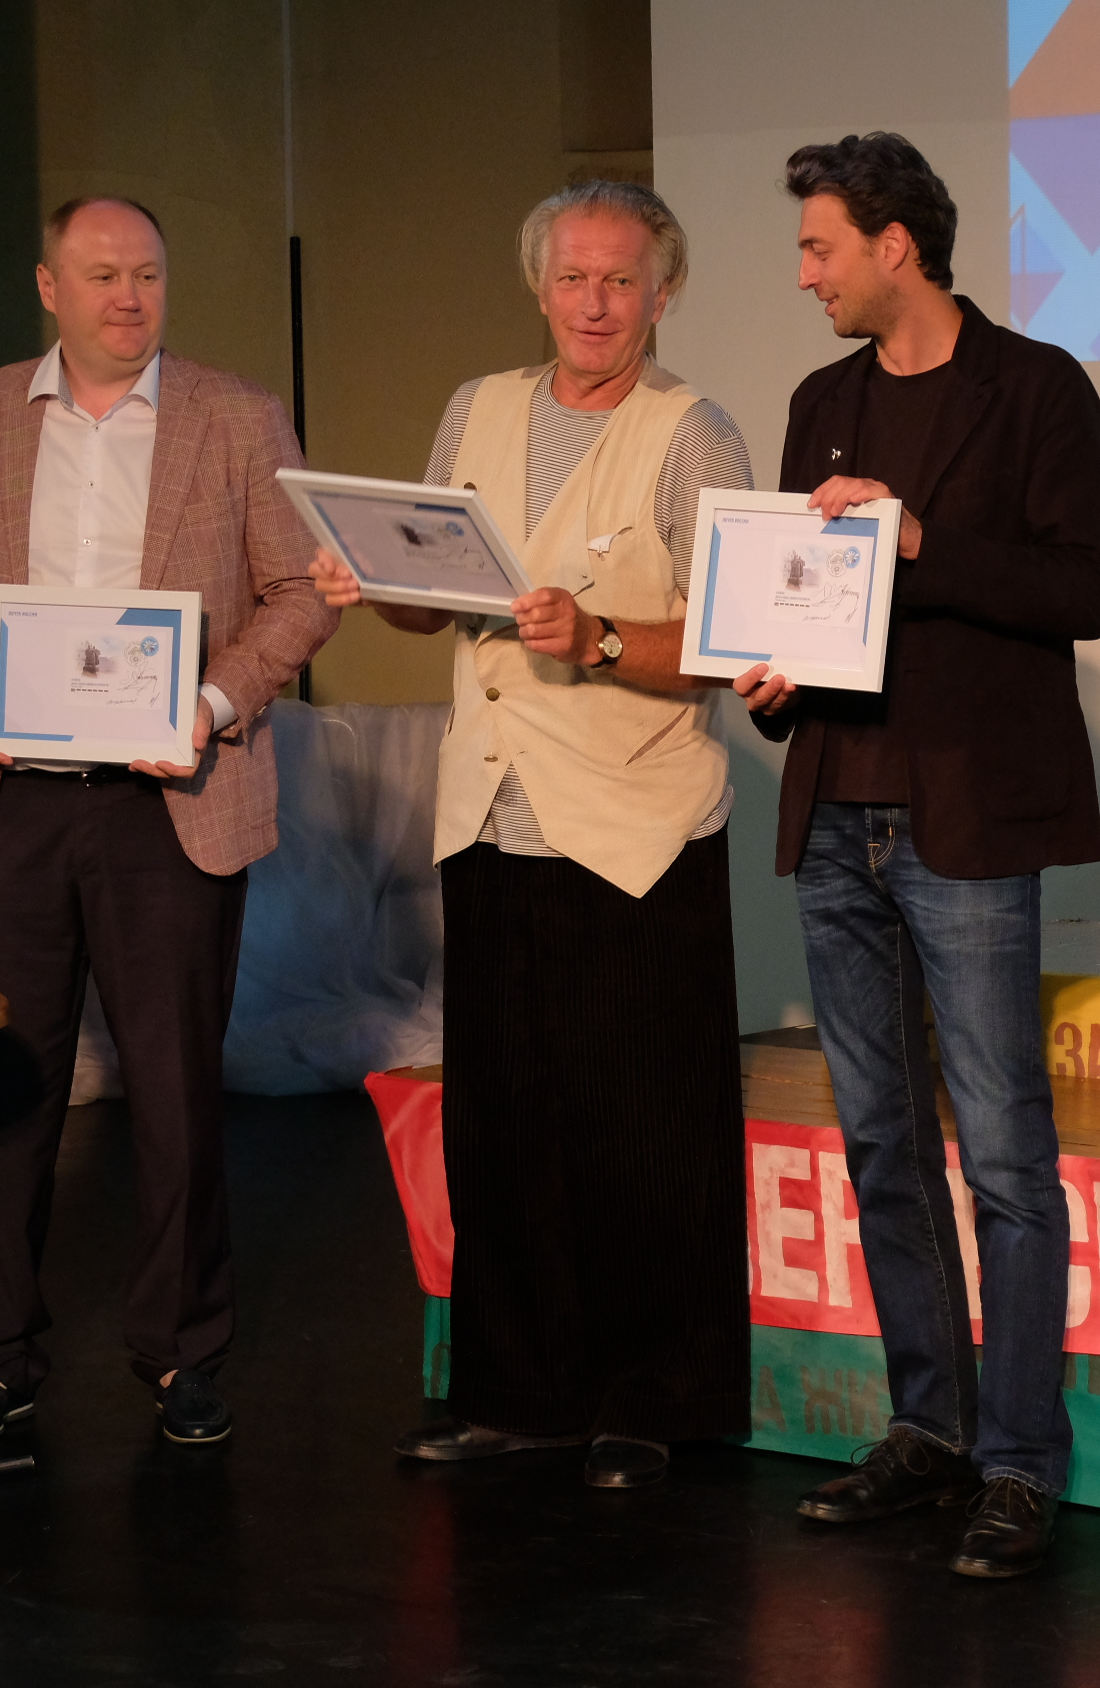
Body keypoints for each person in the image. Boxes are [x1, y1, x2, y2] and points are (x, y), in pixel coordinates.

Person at [315, 180, 755, 1490]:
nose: (594, 304)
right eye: (573, 278)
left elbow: (733, 639)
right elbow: (433, 597)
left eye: (621, 281)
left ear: (664, 293)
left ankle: (651, 1399)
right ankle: (518, 1394)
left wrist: (603, 637)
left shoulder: (693, 432)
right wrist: (371, 580)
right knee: (505, 1128)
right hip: (491, 816)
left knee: (643, 1134)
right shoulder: (479, 407)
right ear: (539, 286)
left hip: (634, 829)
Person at [0, 195, 338, 1447]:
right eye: (101, 275)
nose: (128, 296)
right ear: (49, 286)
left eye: (146, 273)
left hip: (167, 799)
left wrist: (211, 703)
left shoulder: (234, 414)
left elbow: (299, 590)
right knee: (5, 1085)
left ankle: (183, 1354)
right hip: (11, 800)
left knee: (176, 1088)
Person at [733, 132, 1100, 1578]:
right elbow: (804, 593)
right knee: (881, 1140)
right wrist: (773, 674)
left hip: (963, 816)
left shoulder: (1037, 386)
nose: (806, 274)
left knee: (1005, 1153)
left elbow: (1084, 589)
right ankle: (928, 1425)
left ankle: (1018, 1460)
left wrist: (918, 542)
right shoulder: (821, 402)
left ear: (895, 246)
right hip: (837, 805)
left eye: (820, 246)